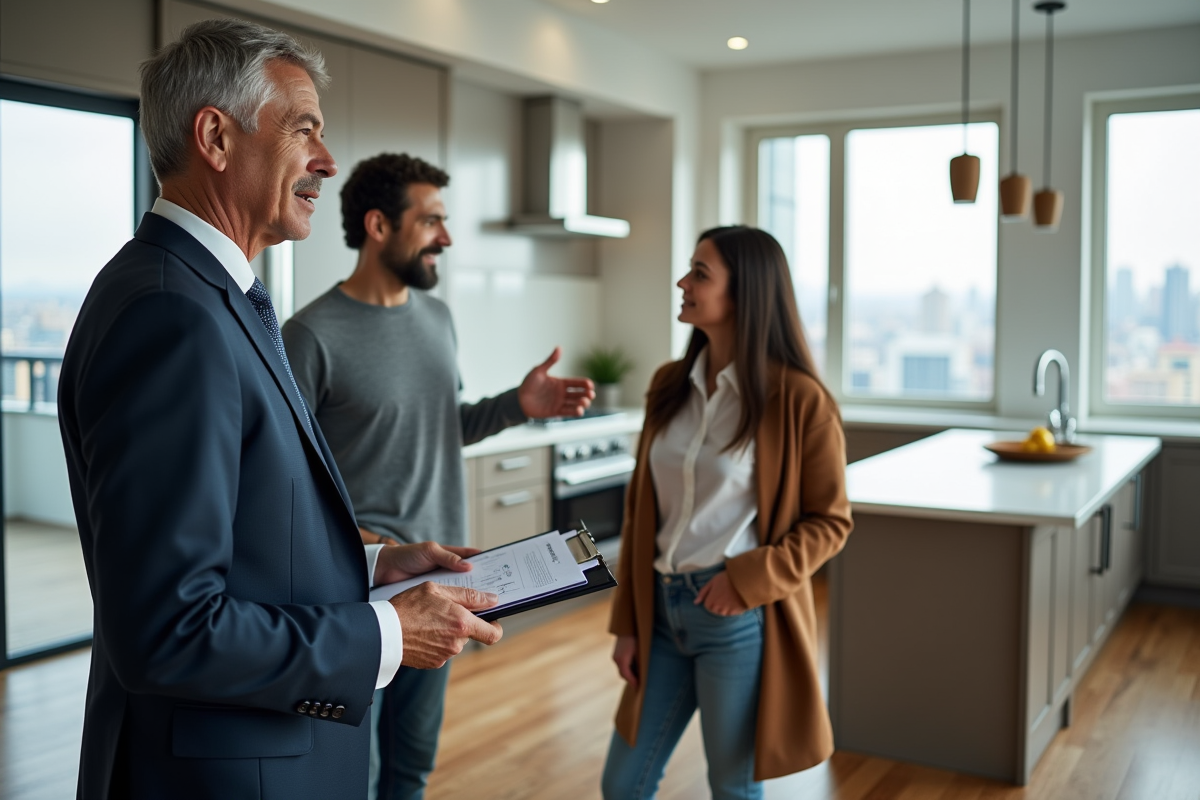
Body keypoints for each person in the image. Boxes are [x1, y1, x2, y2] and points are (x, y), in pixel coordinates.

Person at [57, 20, 503, 800]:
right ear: (216, 137)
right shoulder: (173, 316)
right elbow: (168, 628)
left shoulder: (207, 297)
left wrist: (366, 564)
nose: (327, 163)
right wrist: (387, 632)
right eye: (304, 131)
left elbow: (245, 536)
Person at [281, 152, 595, 800]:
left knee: (412, 768)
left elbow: (439, 425)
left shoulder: (437, 319)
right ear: (377, 226)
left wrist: (517, 405)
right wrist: (363, 543)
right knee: (351, 776)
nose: (446, 239)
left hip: (445, 579)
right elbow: (284, 478)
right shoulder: (309, 336)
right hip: (359, 591)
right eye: (431, 222)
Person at [600, 226, 854, 799]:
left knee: (732, 790)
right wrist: (627, 623)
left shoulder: (800, 400)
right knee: (622, 784)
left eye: (700, 273)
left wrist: (748, 581)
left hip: (734, 618)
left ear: (745, 293)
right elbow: (642, 514)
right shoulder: (669, 385)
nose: (682, 282)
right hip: (659, 612)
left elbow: (831, 521)